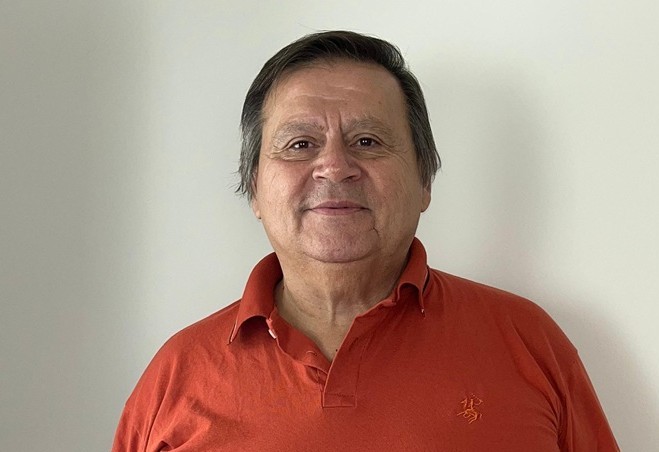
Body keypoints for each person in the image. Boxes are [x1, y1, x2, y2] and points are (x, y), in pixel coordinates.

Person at [112, 31, 619, 451]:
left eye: (367, 141)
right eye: (300, 144)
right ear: (254, 188)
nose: (334, 166)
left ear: (425, 181)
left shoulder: (528, 343)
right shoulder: (176, 376)